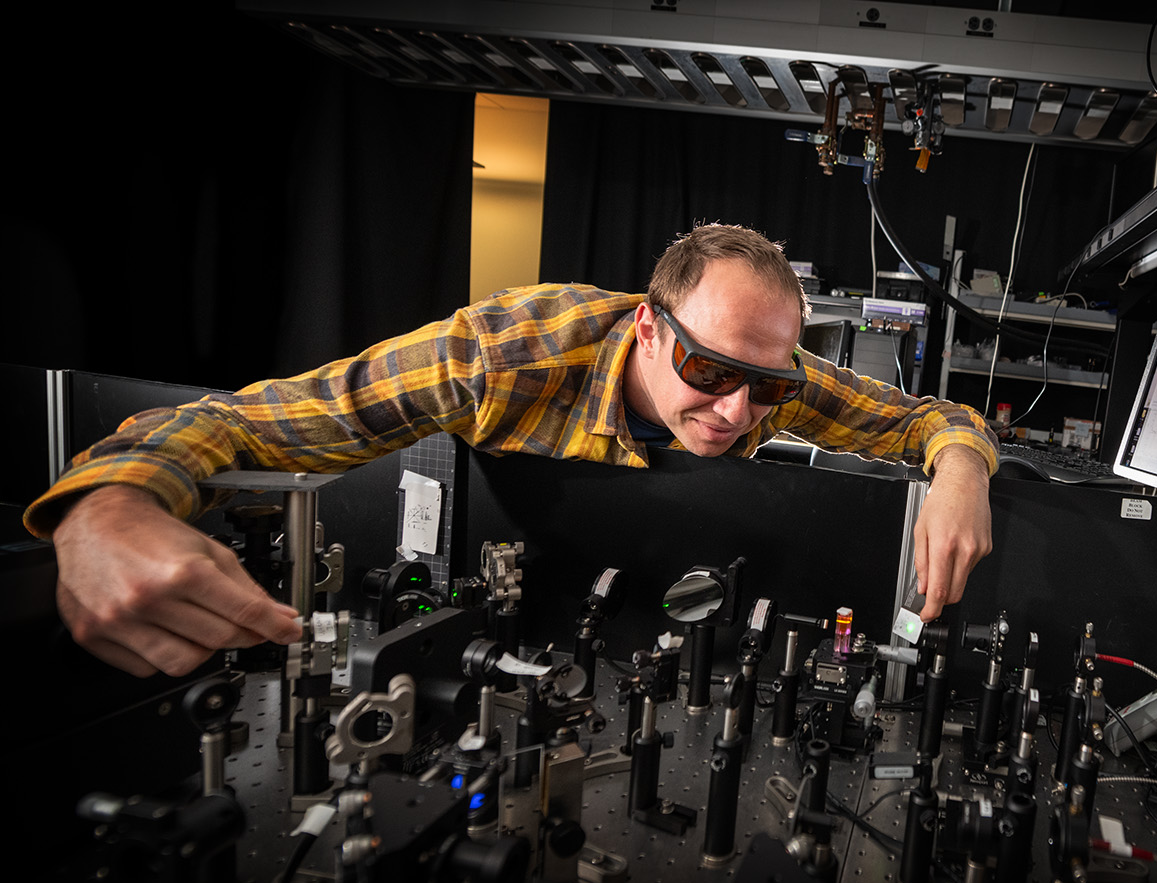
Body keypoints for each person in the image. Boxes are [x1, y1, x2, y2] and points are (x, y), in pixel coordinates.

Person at [25, 224, 998, 678]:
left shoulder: (762, 375)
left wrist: (959, 467)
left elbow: (926, 421)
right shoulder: (501, 358)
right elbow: (253, 421)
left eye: (770, 386)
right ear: (649, 329)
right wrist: (108, 507)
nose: (742, 412)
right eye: (710, 374)